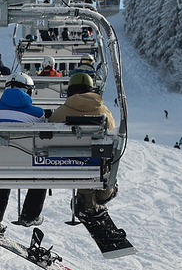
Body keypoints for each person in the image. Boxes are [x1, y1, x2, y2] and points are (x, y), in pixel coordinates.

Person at [53, 71, 132, 256]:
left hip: (63, 166)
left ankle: (86, 203)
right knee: (99, 169)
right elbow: (113, 136)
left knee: (83, 166)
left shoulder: (62, 111)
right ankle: (88, 204)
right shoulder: (103, 111)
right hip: (95, 169)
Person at [0, 75, 48, 239]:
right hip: (26, 164)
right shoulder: (37, 113)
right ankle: (30, 215)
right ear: (28, 90)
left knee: (3, 170)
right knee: (42, 172)